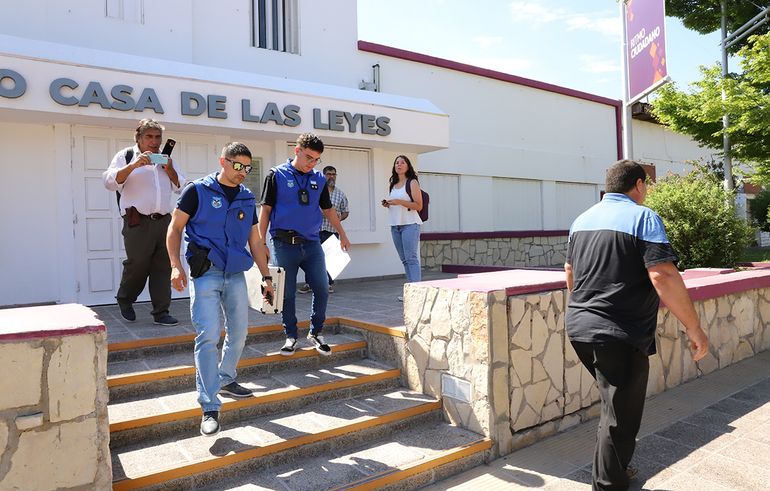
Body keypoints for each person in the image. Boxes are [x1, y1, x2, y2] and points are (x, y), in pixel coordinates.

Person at [564, 160, 709, 490]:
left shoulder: (581, 220)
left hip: (580, 327)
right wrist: (694, 327)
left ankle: (615, 471)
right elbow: (663, 274)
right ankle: (608, 484)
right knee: (620, 416)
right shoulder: (643, 217)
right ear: (639, 185)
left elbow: (569, 273)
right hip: (619, 332)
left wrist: (587, 310)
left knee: (614, 405)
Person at [166, 142, 273, 437]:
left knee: (239, 333)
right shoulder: (197, 191)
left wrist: (266, 277)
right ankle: (209, 405)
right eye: (237, 166)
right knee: (208, 336)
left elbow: (254, 240)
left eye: (247, 168)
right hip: (206, 275)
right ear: (222, 162)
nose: (242, 173)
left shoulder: (246, 197)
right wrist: (176, 266)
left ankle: (226, 378)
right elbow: (174, 229)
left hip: (236, 274)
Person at [259, 133, 351, 357]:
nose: (312, 164)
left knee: (321, 288)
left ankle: (316, 332)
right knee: (287, 293)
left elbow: (328, 210)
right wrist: (260, 241)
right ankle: (291, 336)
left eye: (316, 159)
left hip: (311, 244)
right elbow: (266, 209)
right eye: (308, 157)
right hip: (284, 244)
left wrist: (343, 234)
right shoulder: (276, 175)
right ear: (297, 151)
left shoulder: (318, 179)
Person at [103, 118, 185, 325]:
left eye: (158, 137)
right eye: (149, 136)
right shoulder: (126, 156)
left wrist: (170, 169)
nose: (154, 141)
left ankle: (161, 312)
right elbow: (109, 182)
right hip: (137, 221)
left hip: (165, 221)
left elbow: (181, 187)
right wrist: (133, 165)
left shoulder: (166, 159)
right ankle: (125, 299)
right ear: (138, 138)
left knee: (163, 266)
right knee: (137, 263)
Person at [298, 165, 349, 294]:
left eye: (334, 174)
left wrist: (339, 217)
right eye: (328, 174)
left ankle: (328, 284)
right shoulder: (316, 190)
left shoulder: (340, 194)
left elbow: (346, 212)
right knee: (311, 257)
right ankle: (309, 283)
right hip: (314, 230)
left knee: (330, 259)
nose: (331, 176)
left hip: (331, 230)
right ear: (323, 175)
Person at [381, 155, 423, 301]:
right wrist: (389, 204)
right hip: (395, 225)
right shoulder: (393, 183)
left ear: (408, 166)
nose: (399, 165)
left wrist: (399, 201)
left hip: (410, 224)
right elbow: (397, 205)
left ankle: (418, 293)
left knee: (411, 258)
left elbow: (418, 205)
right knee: (404, 260)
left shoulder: (412, 182)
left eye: (402, 162)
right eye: (396, 163)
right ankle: (412, 292)